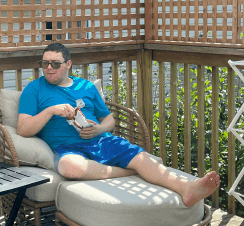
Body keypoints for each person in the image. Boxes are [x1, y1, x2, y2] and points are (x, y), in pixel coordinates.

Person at [17, 43, 220, 208]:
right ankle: (131, 171)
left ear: (68, 64)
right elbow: (23, 129)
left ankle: (187, 188)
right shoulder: (34, 89)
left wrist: (98, 129)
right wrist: (51, 110)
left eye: (55, 63)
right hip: (68, 148)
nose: (49, 68)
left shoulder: (86, 87)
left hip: (101, 140)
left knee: (140, 157)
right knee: (70, 168)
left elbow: (109, 120)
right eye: (45, 64)